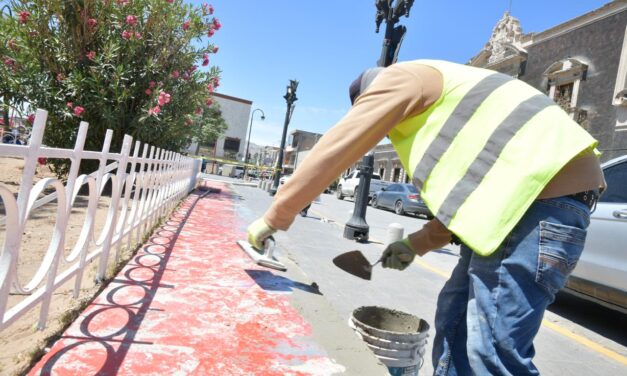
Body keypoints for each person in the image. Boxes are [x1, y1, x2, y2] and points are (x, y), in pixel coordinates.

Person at [246, 60, 606, 375]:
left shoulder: (400, 79)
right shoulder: (453, 107)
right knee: (455, 323)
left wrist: (276, 217)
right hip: (518, 203)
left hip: (540, 201)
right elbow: (476, 196)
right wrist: (413, 245)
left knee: (495, 354)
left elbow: (337, 147)